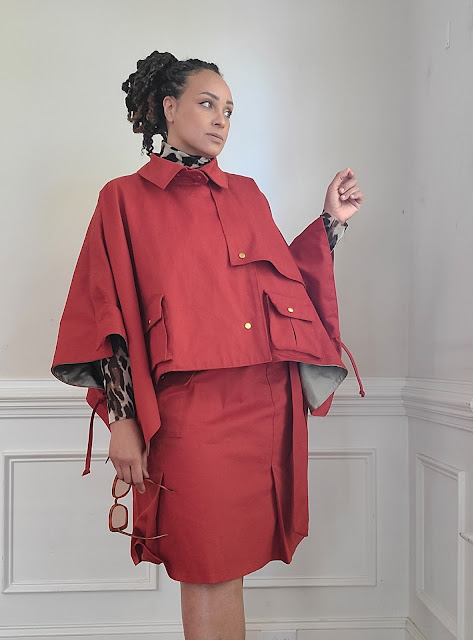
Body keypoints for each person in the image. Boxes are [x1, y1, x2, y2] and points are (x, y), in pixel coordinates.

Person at [51, 51, 365, 640]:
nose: (221, 119)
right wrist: (123, 419)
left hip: (262, 404)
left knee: (232, 567)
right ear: (168, 107)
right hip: (188, 412)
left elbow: (286, 283)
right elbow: (108, 312)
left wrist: (331, 222)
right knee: (205, 566)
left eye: (229, 110)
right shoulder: (123, 197)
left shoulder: (246, 193)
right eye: (207, 103)